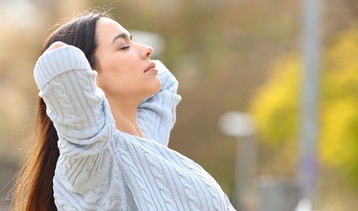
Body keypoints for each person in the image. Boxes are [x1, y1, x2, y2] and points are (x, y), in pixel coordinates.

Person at [11, 10, 236, 211]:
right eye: (124, 46)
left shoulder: (146, 143)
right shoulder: (92, 158)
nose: (148, 50)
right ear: (88, 78)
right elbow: (58, 58)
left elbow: (165, 86)